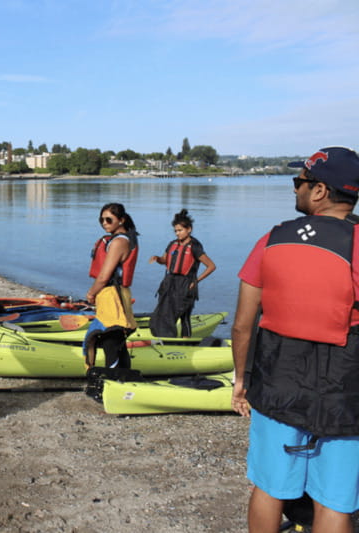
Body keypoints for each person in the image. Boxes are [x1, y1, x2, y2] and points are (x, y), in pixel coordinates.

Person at [231, 146, 359, 532]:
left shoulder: (271, 240)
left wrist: (241, 382)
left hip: (278, 378)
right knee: (333, 500)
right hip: (345, 385)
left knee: (270, 487)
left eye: (298, 182)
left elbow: (242, 325)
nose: (295, 190)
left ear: (320, 191)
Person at [84, 203, 140, 399]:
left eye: (109, 220)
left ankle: (114, 387)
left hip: (112, 295)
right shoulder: (123, 239)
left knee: (110, 340)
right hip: (117, 294)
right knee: (117, 341)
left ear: (121, 220)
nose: (104, 223)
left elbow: (104, 275)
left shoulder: (118, 242)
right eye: (102, 220)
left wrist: (91, 294)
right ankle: (124, 381)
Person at [148, 209, 216, 337]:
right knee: (163, 313)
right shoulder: (172, 244)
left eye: (180, 230)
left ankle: (186, 342)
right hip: (169, 283)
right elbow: (164, 260)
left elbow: (211, 266)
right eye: (175, 231)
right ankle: (165, 337)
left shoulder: (195, 246)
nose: (177, 233)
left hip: (186, 283)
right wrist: (157, 258)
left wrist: (196, 281)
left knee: (184, 315)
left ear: (189, 229)